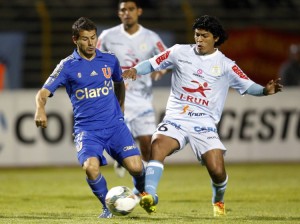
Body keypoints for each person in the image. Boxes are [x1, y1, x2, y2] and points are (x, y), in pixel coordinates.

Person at [122, 15, 283, 217]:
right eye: (197, 35)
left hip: (204, 123)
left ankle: (218, 200)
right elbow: (152, 63)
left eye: (204, 36)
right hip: (176, 119)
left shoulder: (226, 65)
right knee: (158, 145)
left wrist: (264, 91)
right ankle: (150, 195)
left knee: (217, 170)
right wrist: (135, 69)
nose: (199, 39)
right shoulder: (179, 51)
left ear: (215, 38)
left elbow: (247, 84)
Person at [34, 17, 145, 219]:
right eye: (85, 39)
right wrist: (40, 110)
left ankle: (142, 190)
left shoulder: (109, 59)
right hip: (87, 130)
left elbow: (118, 83)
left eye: (93, 38)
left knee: (137, 168)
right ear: (75, 39)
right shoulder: (67, 66)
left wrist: (120, 107)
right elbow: (43, 92)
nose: (91, 43)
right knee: (90, 168)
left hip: (114, 126)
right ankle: (107, 207)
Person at [97, 0, 170, 177]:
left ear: (139, 11)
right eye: (123, 10)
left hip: (142, 100)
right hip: (116, 100)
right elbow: (95, 58)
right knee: (119, 145)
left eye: (131, 9)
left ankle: (142, 189)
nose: (127, 13)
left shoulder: (151, 37)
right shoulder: (107, 36)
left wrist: (160, 70)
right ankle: (123, 161)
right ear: (118, 13)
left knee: (146, 144)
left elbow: (167, 58)